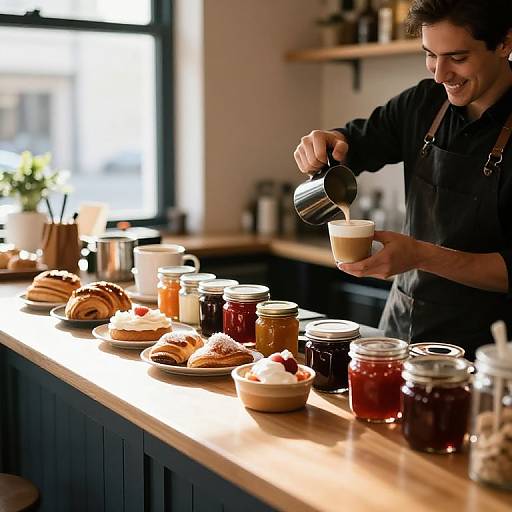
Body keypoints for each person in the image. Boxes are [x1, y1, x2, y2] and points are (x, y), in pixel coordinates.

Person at [294, 0, 512, 359]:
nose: (440, 75)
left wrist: (420, 256)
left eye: (457, 58)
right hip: (402, 335)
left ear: (504, 43)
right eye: (430, 55)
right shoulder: (422, 105)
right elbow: (353, 144)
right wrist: (327, 143)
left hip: (489, 354)